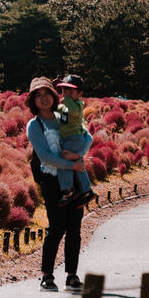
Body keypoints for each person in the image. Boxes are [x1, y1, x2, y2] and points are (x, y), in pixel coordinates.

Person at [26, 76, 93, 292]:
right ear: (33, 100)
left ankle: (72, 276)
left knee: (75, 227)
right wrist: (70, 164)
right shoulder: (34, 125)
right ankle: (47, 274)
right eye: (38, 95)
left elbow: (85, 135)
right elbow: (44, 156)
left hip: (73, 178)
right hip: (52, 181)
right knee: (56, 228)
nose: (43, 98)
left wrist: (78, 154)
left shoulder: (62, 115)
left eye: (46, 94)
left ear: (54, 96)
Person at [55, 75, 95, 207]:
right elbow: (58, 110)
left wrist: (65, 98)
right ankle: (86, 190)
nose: (65, 94)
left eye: (70, 91)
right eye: (64, 90)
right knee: (78, 164)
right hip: (71, 138)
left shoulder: (77, 105)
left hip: (74, 138)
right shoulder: (67, 105)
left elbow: (69, 107)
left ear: (80, 94)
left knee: (64, 161)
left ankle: (68, 189)